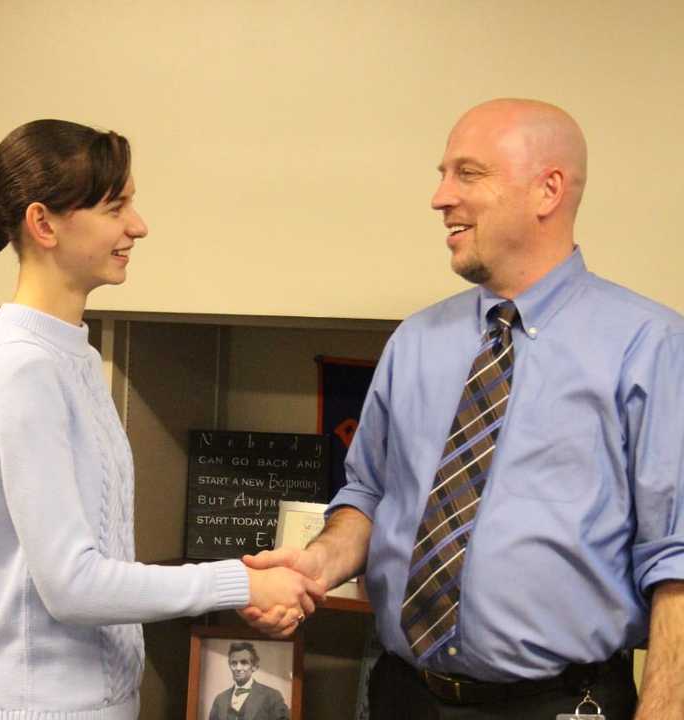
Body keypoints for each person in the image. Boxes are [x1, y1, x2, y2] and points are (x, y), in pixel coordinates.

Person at [240, 99, 684, 720]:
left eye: (467, 174)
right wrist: (317, 562)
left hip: (560, 703)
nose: (440, 197)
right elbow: (367, 496)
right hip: (401, 695)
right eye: (443, 173)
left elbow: (677, 558)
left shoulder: (652, 347)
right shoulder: (416, 341)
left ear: (547, 190)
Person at [0, 119, 322, 719]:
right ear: (43, 223)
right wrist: (240, 582)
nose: (138, 225)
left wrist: (247, 582)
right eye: (115, 207)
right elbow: (72, 586)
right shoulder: (22, 368)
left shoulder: (68, 353)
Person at [208, 642, 289, 720]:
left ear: (254, 667)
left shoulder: (272, 696)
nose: (238, 668)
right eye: (234, 663)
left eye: (244, 663)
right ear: (229, 665)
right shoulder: (220, 699)